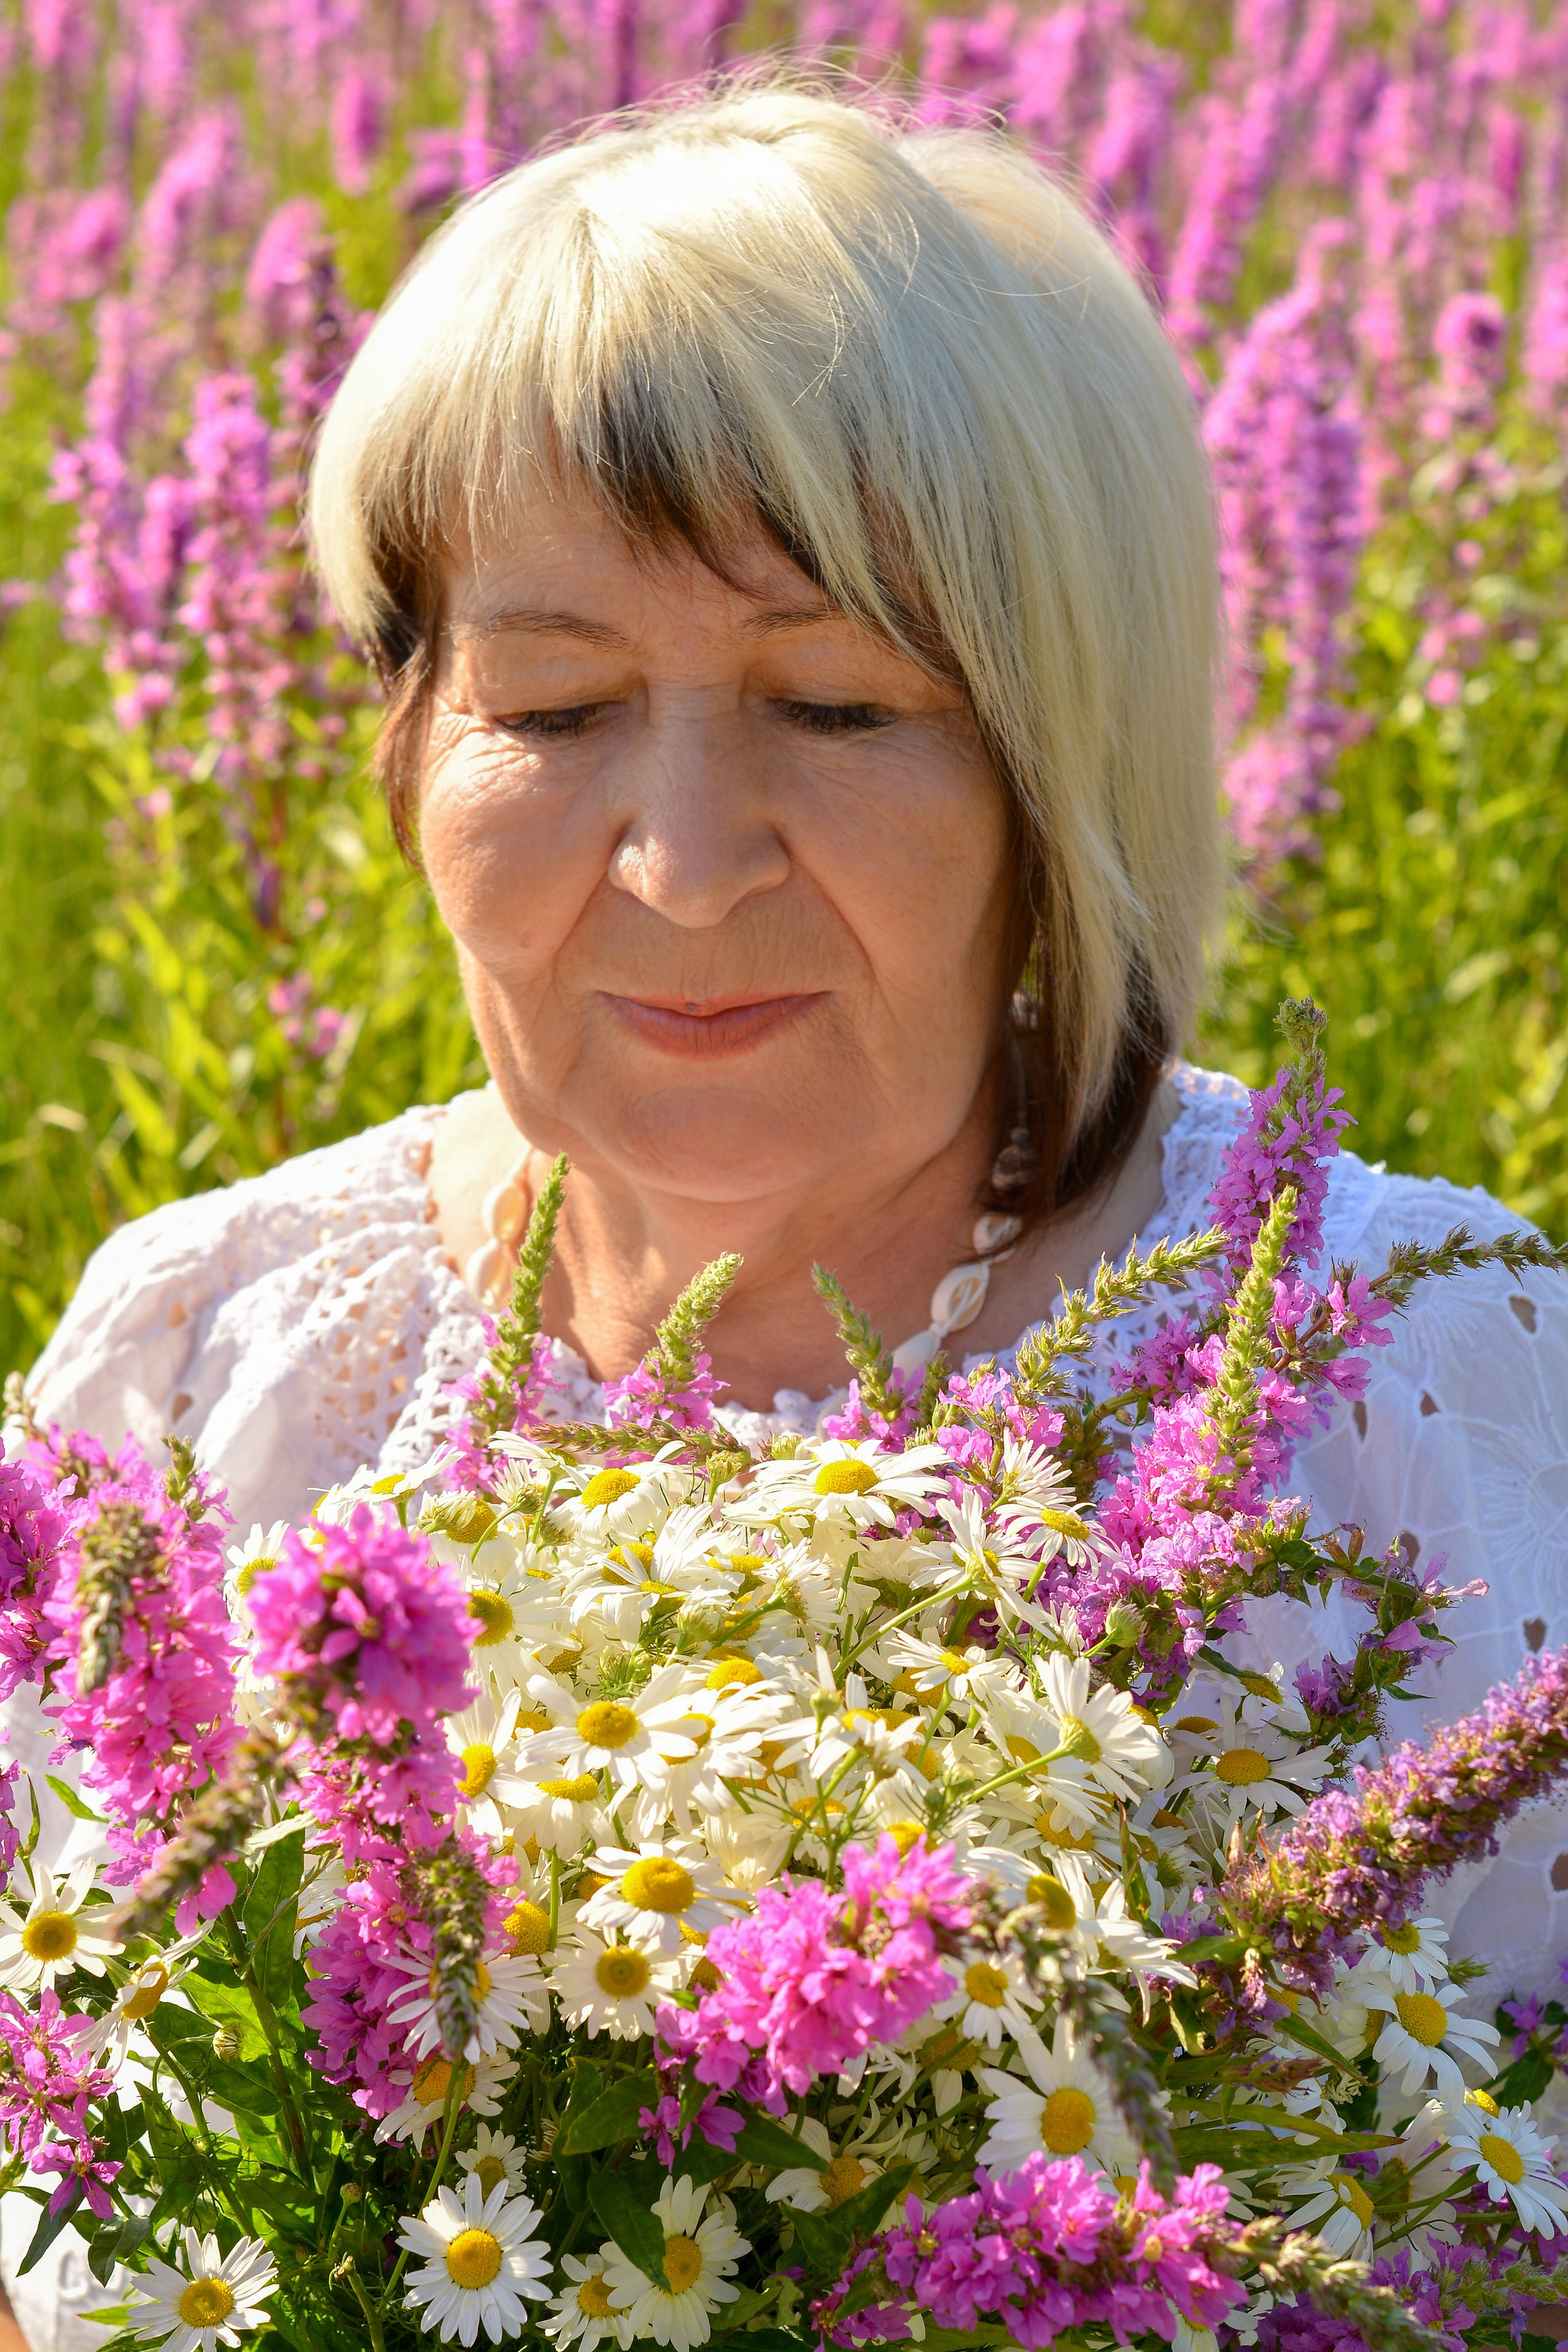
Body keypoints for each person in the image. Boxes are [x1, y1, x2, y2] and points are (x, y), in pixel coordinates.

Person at [11, 77, 1568, 2347]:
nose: (684, 856)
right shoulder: (205, 1375)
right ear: (397, 746)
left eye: (839, 703)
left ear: (1061, 763)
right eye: (551, 706)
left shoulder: (1411, 1386)